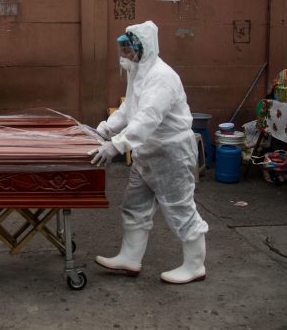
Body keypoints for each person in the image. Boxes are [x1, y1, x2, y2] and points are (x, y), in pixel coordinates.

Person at [89, 20, 209, 284]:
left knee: (180, 208)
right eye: (122, 51)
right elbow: (130, 108)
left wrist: (116, 145)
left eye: (129, 51)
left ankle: (194, 265)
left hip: (171, 153)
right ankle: (130, 258)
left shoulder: (162, 76)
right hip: (147, 153)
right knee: (135, 206)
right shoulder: (138, 71)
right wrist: (105, 130)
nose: (125, 57)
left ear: (144, 48)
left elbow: (148, 118)